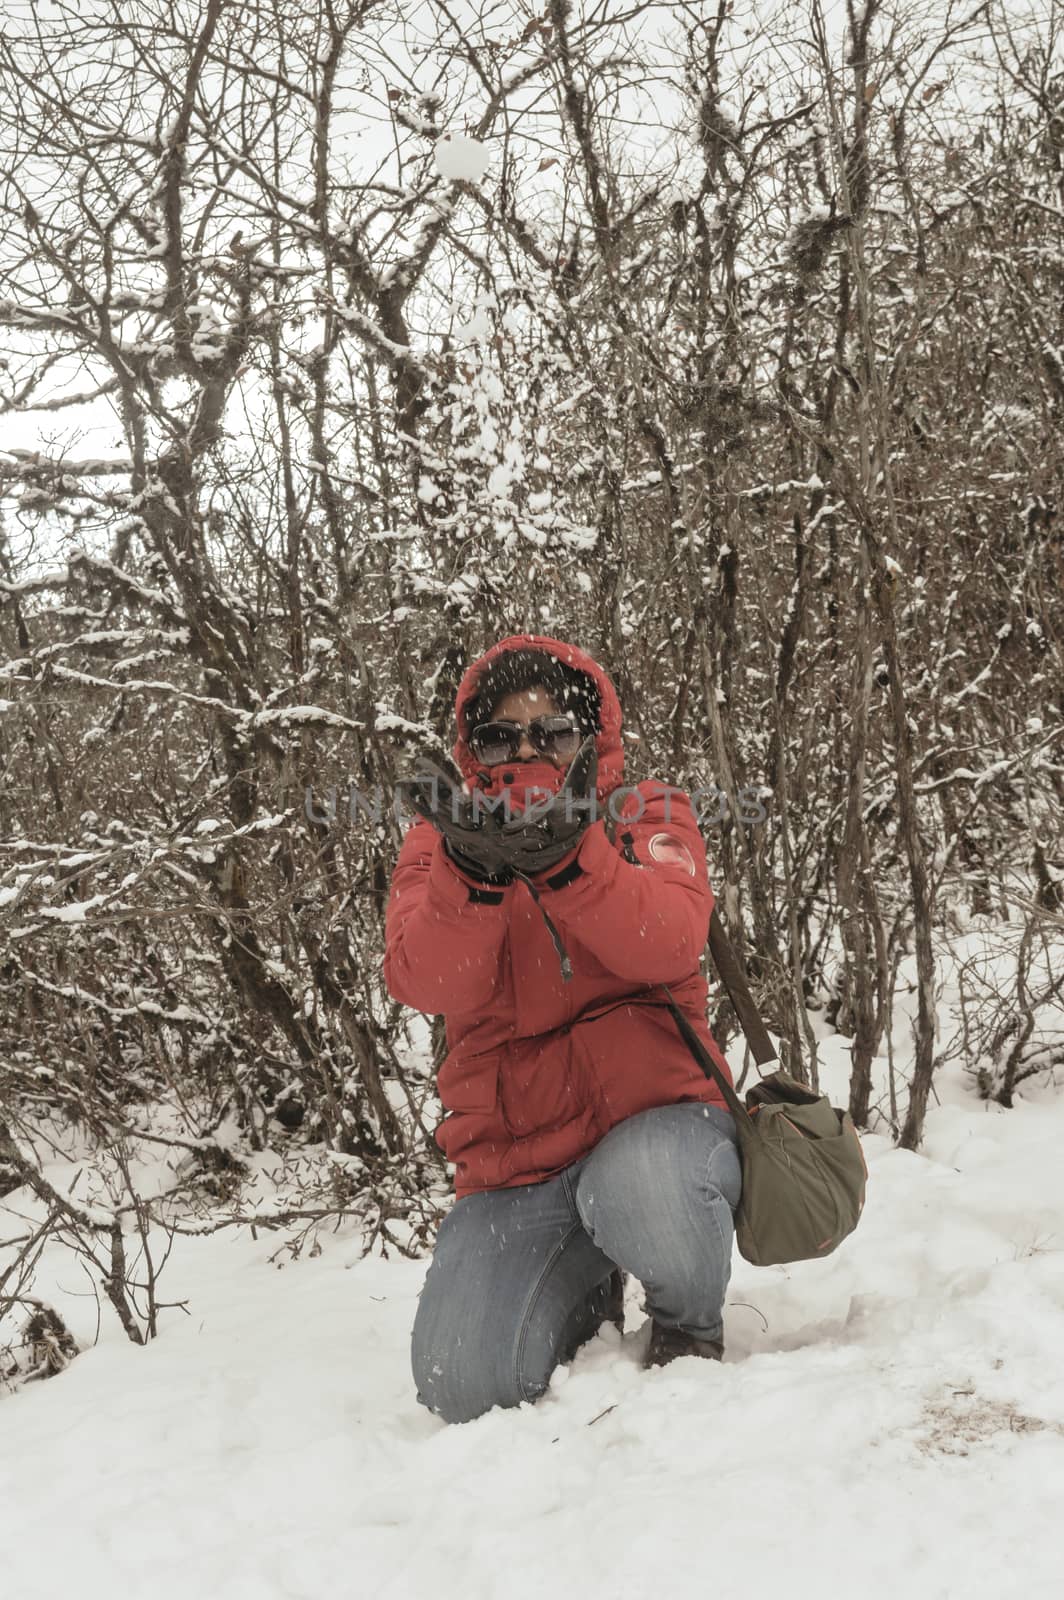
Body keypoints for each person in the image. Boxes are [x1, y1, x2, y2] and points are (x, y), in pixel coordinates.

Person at [384, 633, 742, 1426]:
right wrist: (472, 876)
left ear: (590, 736)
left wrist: (569, 862)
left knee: (643, 1185)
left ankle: (687, 1324)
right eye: (502, 733)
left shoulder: (649, 811)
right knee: (463, 1383)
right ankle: (585, 1285)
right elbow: (424, 981)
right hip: (519, 1167)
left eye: (552, 730)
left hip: (659, 1133)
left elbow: (670, 940)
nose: (528, 748)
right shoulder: (437, 844)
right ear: (472, 748)